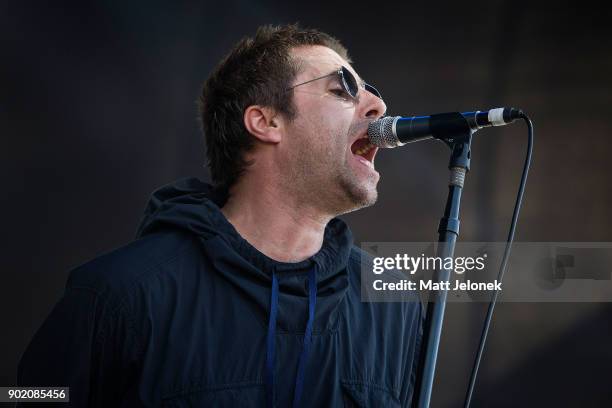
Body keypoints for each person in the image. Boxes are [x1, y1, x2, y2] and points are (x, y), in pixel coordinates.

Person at [18, 24, 423, 407]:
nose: (378, 106)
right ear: (265, 121)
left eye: (370, 90)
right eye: (344, 89)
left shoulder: (393, 301)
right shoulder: (117, 294)